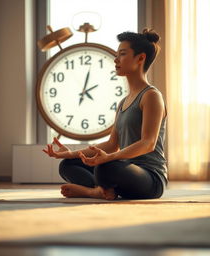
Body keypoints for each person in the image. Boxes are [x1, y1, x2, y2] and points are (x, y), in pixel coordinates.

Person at [43, 28, 168, 200]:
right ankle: (104, 191)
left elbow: (148, 143)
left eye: (122, 54)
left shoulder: (152, 96)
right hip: (124, 167)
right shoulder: (123, 102)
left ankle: (93, 191)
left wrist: (109, 158)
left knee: (105, 167)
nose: (116, 60)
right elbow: (112, 144)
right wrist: (72, 153)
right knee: (67, 165)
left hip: (150, 178)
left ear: (140, 58)